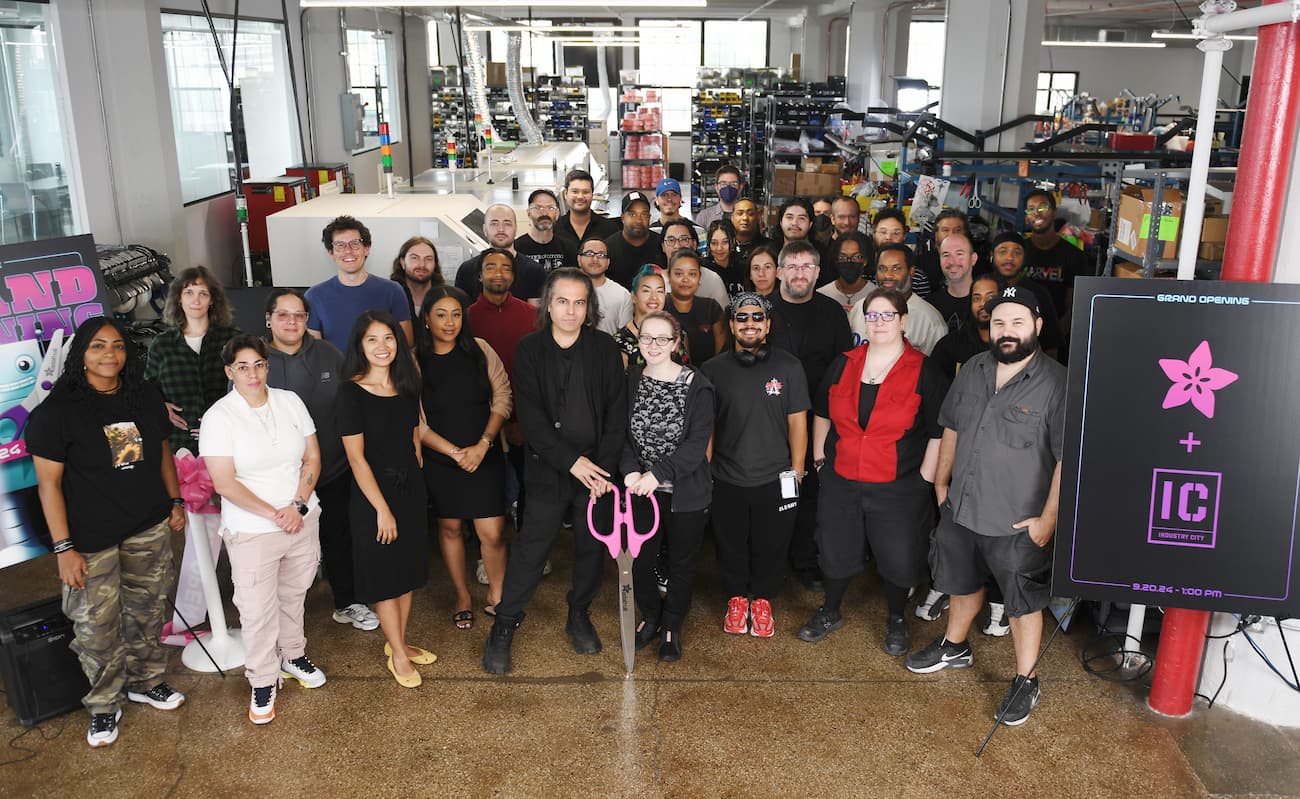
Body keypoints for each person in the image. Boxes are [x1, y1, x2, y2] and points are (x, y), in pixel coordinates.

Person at [906, 285, 1067, 728]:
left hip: (1017, 521)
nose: (1007, 331)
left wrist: (1046, 522)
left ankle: (1026, 678)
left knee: (1021, 602)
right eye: (999, 323)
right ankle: (953, 645)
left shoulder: (1057, 383)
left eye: (1017, 322)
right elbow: (952, 426)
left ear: (1036, 326)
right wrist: (941, 485)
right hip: (962, 508)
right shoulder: (973, 368)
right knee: (960, 582)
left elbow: (1067, 461)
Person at [28, 317, 187, 748]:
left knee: (149, 611)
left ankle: (146, 680)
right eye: (98, 346)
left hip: (146, 525)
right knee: (95, 627)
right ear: (80, 353)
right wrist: (63, 548)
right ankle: (103, 705)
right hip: (89, 539)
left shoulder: (143, 395)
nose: (110, 355)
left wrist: (174, 501)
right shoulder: (56, 414)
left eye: (117, 346)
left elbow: (160, 450)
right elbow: (49, 486)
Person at [483, 268, 628, 675]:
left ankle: (578, 614)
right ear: (548, 304)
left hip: (597, 473)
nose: (570, 310)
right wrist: (570, 462)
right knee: (531, 549)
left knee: (588, 548)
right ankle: (505, 624)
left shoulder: (603, 348)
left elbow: (617, 414)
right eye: (562, 301)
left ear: (589, 308)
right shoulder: (530, 350)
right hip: (549, 468)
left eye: (579, 302)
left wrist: (604, 472)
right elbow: (530, 417)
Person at [800, 289, 949, 656]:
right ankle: (830, 610)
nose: (879, 322)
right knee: (835, 549)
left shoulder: (924, 370)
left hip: (898, 486)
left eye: (887, 315)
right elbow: (822, 410)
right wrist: (820, 457)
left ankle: (896, 617)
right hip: (842, 478)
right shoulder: (844, 362)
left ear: (903, 320)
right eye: (872, 315)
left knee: (898, 556)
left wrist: (925, 480)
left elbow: (939, 431)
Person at [201, 334, 326, 725]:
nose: (252, 373)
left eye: (258, 364)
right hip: (253, 529)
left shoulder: (290, 402)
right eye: (242, 366)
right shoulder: (219, 417)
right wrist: (277, 513)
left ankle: (292, 654)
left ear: (267, 366)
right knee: (256, 609)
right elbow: (224, 483)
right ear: (229, 371)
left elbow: (312, 456)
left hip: (301, 518)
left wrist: (298, 505)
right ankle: (262, 678)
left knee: (294, 593)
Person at [264, 289, 379, 634]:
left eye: (299, 315)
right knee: (280, 549)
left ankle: (347, 602)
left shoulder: (328, 354)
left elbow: (355, 398)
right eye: (283, 315)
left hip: (332, 470)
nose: (291, 322)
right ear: (268, 319)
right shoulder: (256, 358)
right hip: (278, 481)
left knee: (339, 537)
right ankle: (280, 619)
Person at [701, 293, 810, 639]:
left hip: (776, 477)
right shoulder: (713, 370)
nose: (750, 323)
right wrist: (705, 472)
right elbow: (709, 428)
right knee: (730, 542)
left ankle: (762, 599)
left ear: (768, 324)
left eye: (757, 317)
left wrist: (797, 472)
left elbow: (798, 424)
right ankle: (736, 599)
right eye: (742, 318)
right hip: (727, 475)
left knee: (772, 543)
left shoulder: (790, 367)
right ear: (732, 325)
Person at [143, 265, 238, 647]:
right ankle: (191, 619)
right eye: (188, 293)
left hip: (230, 446)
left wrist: (221, 419)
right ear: (177, 300)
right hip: (183, 449)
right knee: (202, 536)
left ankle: (257, 607)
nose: (196, 300)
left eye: (203, 293)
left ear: (212, 299)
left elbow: (250, 382)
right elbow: (146, 390)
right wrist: (161, 405)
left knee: (242, 530)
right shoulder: (163, 344)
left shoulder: (231, 339)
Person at [338, 311, 434, 689]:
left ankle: (400, 640)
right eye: (373, 340)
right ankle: (396, 652)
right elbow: (356, 458)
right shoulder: (350, 392)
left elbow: (413, 437)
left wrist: (416, 482)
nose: (382, 346)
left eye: (389, 338)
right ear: (360, 346)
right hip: (372, 499)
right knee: (385, 578)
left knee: (406, 573)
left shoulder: (407, 386)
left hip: (409, 491)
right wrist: (381, 509)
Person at [620, 311, 714, 663]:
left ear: (676, 343)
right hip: (641, 491)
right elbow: (622, 434)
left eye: (662, 338)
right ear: (639, 340)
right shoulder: (630, 379)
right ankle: (652, 614)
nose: (653, 345)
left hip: (685, 493)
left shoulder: (698, 385)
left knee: (681, 563)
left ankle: (672, 625)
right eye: (647, 338)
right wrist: (630, 471)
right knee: (641, 561)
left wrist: (656, 474)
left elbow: (696, 444)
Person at [417, 286, 511, 628]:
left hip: (484, 455)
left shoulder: (481, 351)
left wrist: (483, 444)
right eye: (440, 314)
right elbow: (414, 419)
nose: (449, 322)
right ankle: (462, 596)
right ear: (426, 318)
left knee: (493, 532)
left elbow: (503, 396)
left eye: (456, 314)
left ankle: (497, 596)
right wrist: (454, 453)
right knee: (451, 526)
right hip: (442, 459)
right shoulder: (414, 359)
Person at [766, 240, 853, 592]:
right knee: (771, 492)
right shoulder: (763, 310)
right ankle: (771, 561)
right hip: (769, 421)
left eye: (807, 267)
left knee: (810, 494)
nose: (799, 273)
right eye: (793, 266)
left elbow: (844, 370)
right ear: (779, 271)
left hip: (819, 422)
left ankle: (804, 560)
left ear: (818, 273)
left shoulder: (833, 313)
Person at [307, 215, 412, 351]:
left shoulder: (392, 291)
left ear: (366, 248)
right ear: (331, 253)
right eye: (340, 245)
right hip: (337, 372)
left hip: (382, 371)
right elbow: (314, 352)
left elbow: (406, 344)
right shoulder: (314, 297)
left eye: (355, 243)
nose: (348, 251)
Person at [849, 244, 947, 355]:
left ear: (911, 271)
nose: (888, 275)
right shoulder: (859, 307)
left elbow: (932, 369)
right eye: (882, 268)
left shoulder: (930, 320)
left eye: (896, 268)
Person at [1021, 188, 1090, 333]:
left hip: (1058, 334)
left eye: (1043, 207)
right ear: (1027, 217)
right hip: (1021, 331)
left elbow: (1075, 306)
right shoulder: (1019, 252)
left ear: (1054, 213)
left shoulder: (1074, 256)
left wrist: (1056, 336)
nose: (1037, 213)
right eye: (1031, 209)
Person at [454, 203, 547, 304]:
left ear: (516, 229)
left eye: (507, 224)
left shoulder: (534, 271)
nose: (501, 229)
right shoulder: (467, 270)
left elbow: (536, 316)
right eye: (494, 224)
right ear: (485, 229)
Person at [989, 231, 1060, 357]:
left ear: (1025, 258)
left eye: (1017, 252)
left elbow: (1051, 345)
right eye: (1003, 251)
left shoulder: (1038, 293)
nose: (1009, 258)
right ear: (992, 256)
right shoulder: (982, 287)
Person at [613, 265, 689, 368]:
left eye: (659, 291)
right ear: (634, 296)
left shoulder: (678, 331)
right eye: (646, 291)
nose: (654, 297)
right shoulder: (620, 342)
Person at [929, 275, 1003, 379]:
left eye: (990, 297)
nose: (983, 304)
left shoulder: (1013, 343)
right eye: (977, 298)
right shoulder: (950, 345)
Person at [666, 248, 726, 363]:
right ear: (669, 276)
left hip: (707, 376)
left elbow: (721, 357)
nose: (685, 279)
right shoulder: (660, 308)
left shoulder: (711, 308)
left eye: (692, 274)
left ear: (699, 277)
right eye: (678, 273)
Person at [661, 219, 730, 309]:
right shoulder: (656, 279)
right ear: (663, 246)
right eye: (671, 240)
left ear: (694, 244)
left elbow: (723, 316)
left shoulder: (712, 279)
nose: (677, 245)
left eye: (684, 239)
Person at [605, 191, 665, 289]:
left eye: (644, 214)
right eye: (632, 214)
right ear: (623, 218)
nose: (638, 220)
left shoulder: (661, 245)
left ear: (650, 217)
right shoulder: (608, 248)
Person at [578, 235, 634, 336]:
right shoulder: (565, 290)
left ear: (608, 262)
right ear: (579, 259)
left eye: (601, 255)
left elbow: (625, 336)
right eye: (589, 253)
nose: (595, 259)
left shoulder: (622, 295)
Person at [515, 188, 578, 274]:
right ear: (529, 213)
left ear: (557, 213)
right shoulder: (516, 248)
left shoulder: (568, 248)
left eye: (550, 208)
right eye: (538, 208)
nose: (544, 213)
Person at [929, 231, 979, 333]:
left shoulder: (986, 304)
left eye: (959, 254)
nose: (952, 261)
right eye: (946, 255)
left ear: (973, 259)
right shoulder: (930, 306)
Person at [912, 209, 968, 299]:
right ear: (936, 234)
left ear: (965, 233)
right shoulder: (919, 263)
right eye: (945, 230)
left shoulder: (979, 264)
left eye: (957, 230)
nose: (951, 234)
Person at [555, 168, 620, 245]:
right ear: (565, 194)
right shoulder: (555, 229)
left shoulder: (610, 228)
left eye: (585, 192)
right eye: (575, 191)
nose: (580, 196)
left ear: (592, 195)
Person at [817, 231, 876, 315]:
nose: (849, 261)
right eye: (842, 257)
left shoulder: (876, 295)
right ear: (836, 260)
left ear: (865, 260)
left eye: (856, 257)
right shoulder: (822, 295)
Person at [390, 236, 444, 323]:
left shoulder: (446, 297)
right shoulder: (390, 297)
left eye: (428, 259)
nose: (422, 264)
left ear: (435, 264)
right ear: (402, 262)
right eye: (414, 258)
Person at [695, 164, 745, 230]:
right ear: (716, 187)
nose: (728, 188)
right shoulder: (704, 217)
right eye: (723, 183)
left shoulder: (748, 216)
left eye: (733, 183)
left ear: (740, 187)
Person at [703, 220, 745, 297]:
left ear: (733, 242)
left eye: (725, 242)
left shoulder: (743, 267)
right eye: (714, 243)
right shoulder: (703, 269)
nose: (719, 248)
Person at [731, 198, 770, 266]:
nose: (745, 218)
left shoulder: (769, 247)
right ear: (732, 218)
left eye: (750, 214)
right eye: (740, 213)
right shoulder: (725, 246)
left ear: (758, 217)